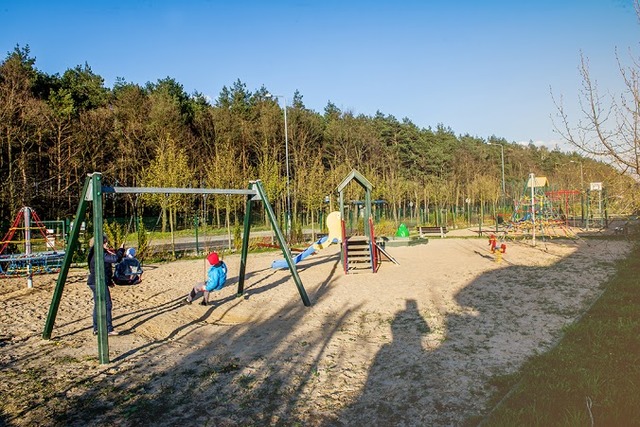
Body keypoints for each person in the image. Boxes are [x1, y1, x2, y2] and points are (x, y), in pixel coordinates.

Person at [87, 235, 125, 336]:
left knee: (98, 304)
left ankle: (96, 328)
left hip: (94, 281)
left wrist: (109, 281)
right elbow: (115, 259)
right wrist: (121, 249)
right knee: (107, 304)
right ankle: (108, 329)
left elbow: (104, 268)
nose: (106, 243)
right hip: (98, 282)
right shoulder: (99, 253)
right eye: (104, 242)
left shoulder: (94, 252)